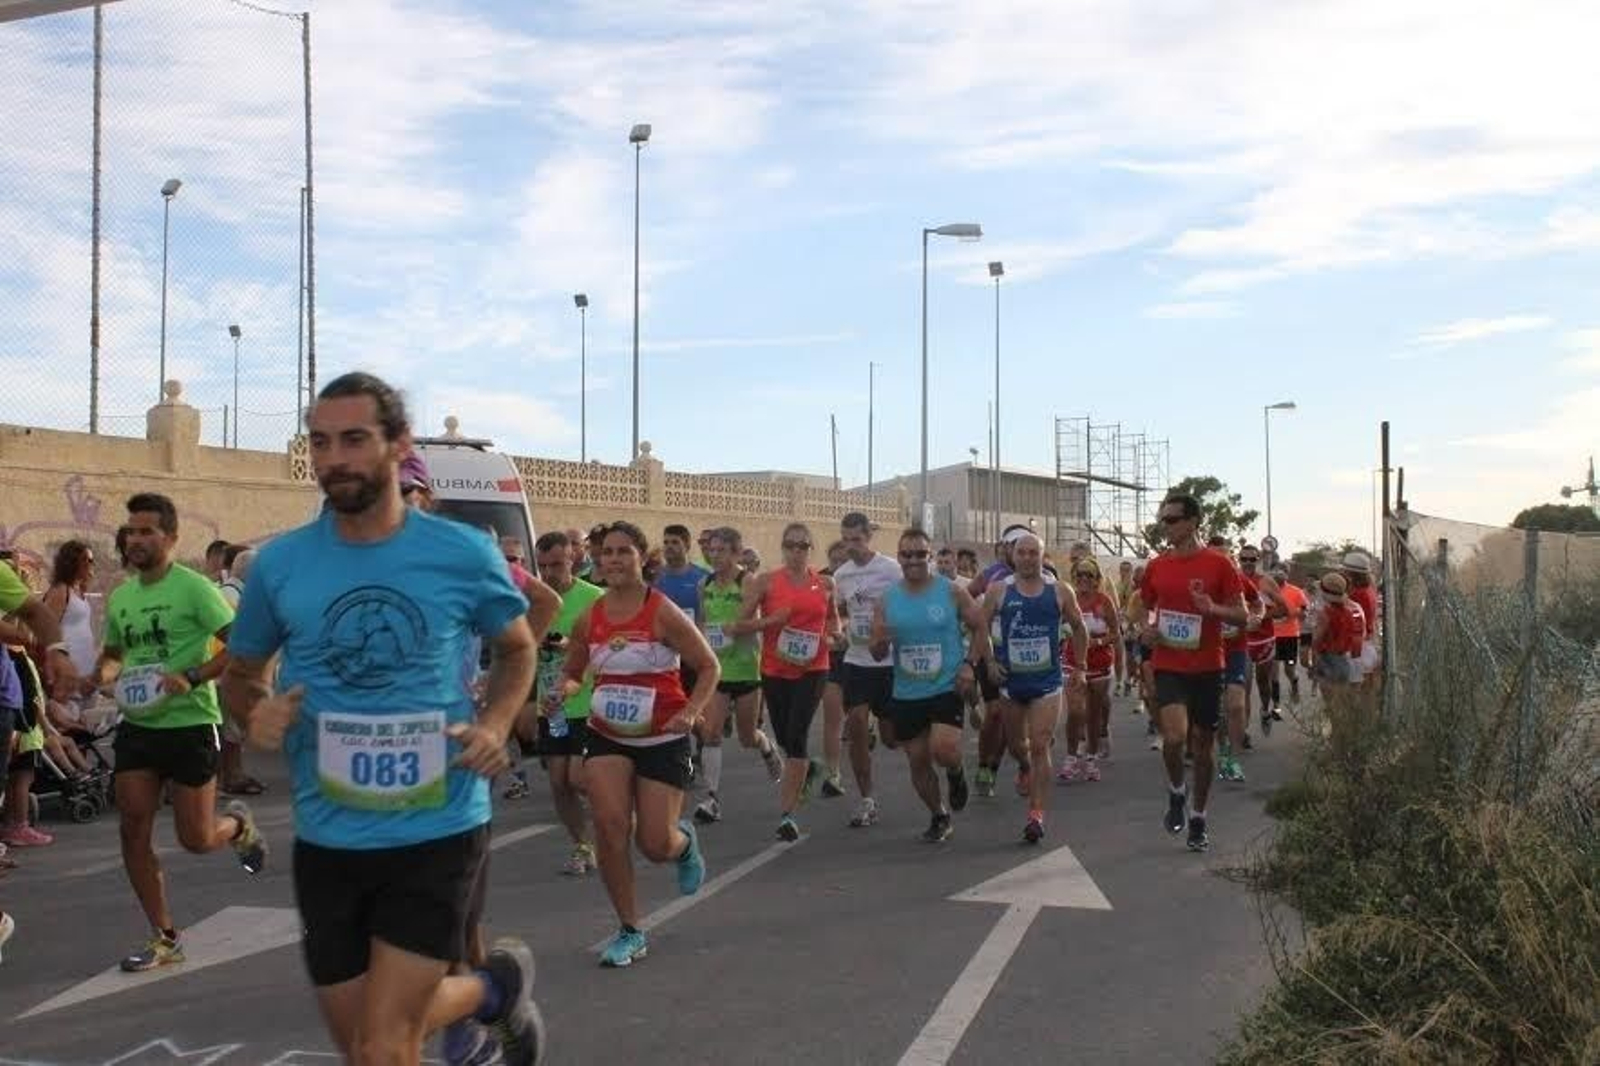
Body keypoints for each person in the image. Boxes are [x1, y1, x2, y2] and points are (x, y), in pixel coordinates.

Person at [220, 373, 546, 1064]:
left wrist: (493, 725)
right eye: (320, 442)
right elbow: (240, 676)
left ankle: (489, 992)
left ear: (398, 446)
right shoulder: (280, 564)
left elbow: (517, 650)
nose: (333, 458)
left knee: (383, 1044)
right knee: (363, 1039)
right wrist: (256, 712)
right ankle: (493, 992)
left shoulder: (463, 553)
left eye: (354, 440)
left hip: (437, 824)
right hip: (328, 834)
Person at [81, 493, 267, 973]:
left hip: (189, 723)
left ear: (170, 536)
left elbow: (239, 645)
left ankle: (238, 826)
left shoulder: (194, 589)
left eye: (147, 531)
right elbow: (115, 656)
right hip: (139, 725)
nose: (136, 539)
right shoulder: (123, 596)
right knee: (132, 825)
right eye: (131, 531)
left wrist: (194, 677)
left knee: (197, 838)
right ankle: (165, 935)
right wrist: (96, 677)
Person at [556, 521, 715, 968]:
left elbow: (708, 667)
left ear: (642, 558)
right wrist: (563, 690)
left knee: (654, 844)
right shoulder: (592, 615)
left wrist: (690, 711)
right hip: (606, 733)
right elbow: (574, 670)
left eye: (624, 551)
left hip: (663, 735)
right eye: (607, 552)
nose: (614, 559)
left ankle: (683, 844)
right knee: (608, 826)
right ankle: (629, 929)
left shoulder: (662, 611)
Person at [1139, 493, 1247, 853]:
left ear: (1193, 522)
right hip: (1169, 664)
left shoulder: (1221, 564)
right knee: (1173, 737)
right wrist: (1146, 630)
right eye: (1163, 520)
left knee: (1203, 745)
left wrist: (1212, 607)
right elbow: (1145, 608)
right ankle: (1176, 792)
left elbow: (1242, 615)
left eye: (1171, 520)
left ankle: (1198, 815)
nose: (1165, 526)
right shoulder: (1156, 566)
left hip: (1207, 666)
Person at [872, 528, 992, 843]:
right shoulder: (887, 600)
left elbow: (980, 627)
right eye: (906, 555)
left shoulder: (951, 591)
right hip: (907, 691)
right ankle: (939, 814)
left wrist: (969, 664)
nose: (913, 560)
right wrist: (881, 642)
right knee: (918, 759)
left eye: (920, 554)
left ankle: (955, 772)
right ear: (899, 558)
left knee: (944, 748)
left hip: (945, 685)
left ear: (930, 557)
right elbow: (877, 650)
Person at [731, 522, 837, 841]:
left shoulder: (826, 583)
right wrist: (771, 621)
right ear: (783, 548)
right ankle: (807, 768)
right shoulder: (766, 582)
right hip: (776, 670)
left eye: (802, 546)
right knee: (786, 737)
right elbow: (738, 625)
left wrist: (833, 637)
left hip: (814, 667)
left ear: (810, 550)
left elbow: (832, 619)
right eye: (790, 545)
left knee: (798, 734)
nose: (796, 551)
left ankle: (787, 815)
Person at [982, 533, 1085, 843]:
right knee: (1017, 746)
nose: (1027, 558)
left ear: (1042, 556)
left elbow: (1079, 627)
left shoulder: (1059, 591)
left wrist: (1079, 666)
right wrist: (988, 661)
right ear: (1013, 556)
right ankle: (1024, 766)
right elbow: (980, 626)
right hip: (1011, 682)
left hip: (1047, 682)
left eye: (1033, 553)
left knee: (1041, 745)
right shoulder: (999, 590)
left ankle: (1036, 815)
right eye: (1021, 553)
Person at [522, 531, 605, 876]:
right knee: (558, 782)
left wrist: (568, 645)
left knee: (578, 778)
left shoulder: (594, 597)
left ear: (573, 558)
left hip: (587, 704)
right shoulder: (533, 601)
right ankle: (582, 846)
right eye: (542, 567)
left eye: (556, 564)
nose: (549, 573)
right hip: (552, 706)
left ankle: (615, 815)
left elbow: (606, 648)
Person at [691, 527, 783, 824]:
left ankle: (766, 746)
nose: (713, 555)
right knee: (711, 733)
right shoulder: (703, 584)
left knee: (746, 737)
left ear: (735, 552)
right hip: (717, 670)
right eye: (711, 550)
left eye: (720, 550)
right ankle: (712, 798)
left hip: (746, 667)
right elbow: (703, 623)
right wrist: (703, 644)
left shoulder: (749, 581)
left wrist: (738, 628)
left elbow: (754, 621)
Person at [830, 512, 902, 829]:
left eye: (857, 540)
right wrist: (840, 631)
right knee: (856, 723)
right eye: (846, 540)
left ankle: (884, 728)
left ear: (868, 538)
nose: (851, 547)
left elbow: (905, 606)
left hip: (888, 663)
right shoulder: (841, 575)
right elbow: (841, 612)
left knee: (891, 738)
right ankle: (867, 799)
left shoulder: (890, 569)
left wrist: (885, 636)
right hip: (857, 661)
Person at [966, 526, 1028, 797]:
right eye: (1010, 545)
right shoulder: (991, 575)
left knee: (1008, 717)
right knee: (994, 713)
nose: (1014, 551)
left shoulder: (1044, 575)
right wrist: (975, 619)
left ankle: (993, 766)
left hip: (1021, 658)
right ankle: (983, 764)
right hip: (989, 651)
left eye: (1020, 545)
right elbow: (965, 597)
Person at [1058, 557, 1120, 782]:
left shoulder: (1104, 601)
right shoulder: (1067, 600)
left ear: (1097, 580)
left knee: (1094, 715)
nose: (1083, 579)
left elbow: (1116, 633)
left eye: (1089, 575)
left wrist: (1099, 642)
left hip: (1100, 665)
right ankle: (1071, 758)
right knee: (1075, 712)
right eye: (1079, 575)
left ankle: (1091, 758)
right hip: (1073, 663)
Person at [1235, 546, 1286, 757]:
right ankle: (1244, 732)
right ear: (1239, 560)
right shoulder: (1233, 579)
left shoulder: (1266, 582)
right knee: (1243, 687)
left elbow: (1284, 609)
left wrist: (1259, 616)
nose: (1247, 562)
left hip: (1264, 639)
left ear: (1257, 560)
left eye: (1252, 559)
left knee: (1263, 683)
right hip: (1243, 641)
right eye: (1244, 559)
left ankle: (1265, 709)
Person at [42, 540, 98, 682]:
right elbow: (45, 631)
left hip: (86, 673)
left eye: (92, 560)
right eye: (86, 560)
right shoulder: (60, 591)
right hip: (66, 673)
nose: (91, 564)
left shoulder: (79, 592)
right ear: (72, 563)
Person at [1270, 565, 1309, 715]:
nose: (1278, 574)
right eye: (1275, 571)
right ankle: (1276, 703)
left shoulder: (1296, 592)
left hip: (1290, 636)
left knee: (1289, 668)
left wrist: (1292, 611)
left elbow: (1304, 612)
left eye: (1282, 571)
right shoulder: (1266, 591)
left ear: (1287, 574)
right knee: (1273, 671)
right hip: (1271, 637)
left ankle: (1294, 685)